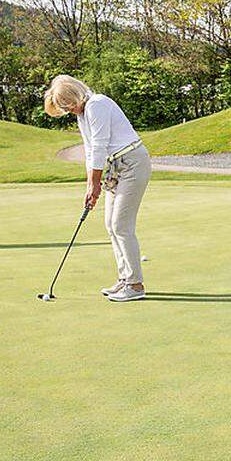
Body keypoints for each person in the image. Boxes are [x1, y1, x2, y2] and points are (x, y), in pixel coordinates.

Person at [44, 75, 152, 303]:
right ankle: (125, 278)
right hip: (116, 167)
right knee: (110, 225)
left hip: (132, 162)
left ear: (74, 96)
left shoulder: (97, 105)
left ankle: (135, 285)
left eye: (67, 105)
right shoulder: (83, 115)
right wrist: (89, 186)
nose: (68, 111)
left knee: (121, 225)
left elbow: (101, 146)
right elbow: (91, 150)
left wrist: (95, 183)